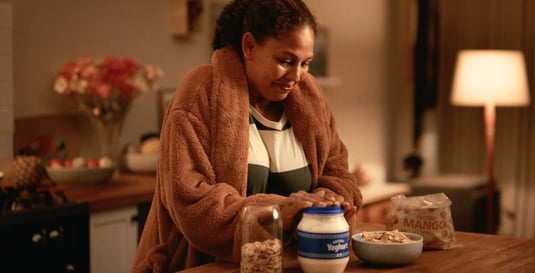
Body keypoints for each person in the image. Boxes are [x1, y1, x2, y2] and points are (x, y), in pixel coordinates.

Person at [131, 0, 363, 272]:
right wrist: (284, 210)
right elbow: (192, 202)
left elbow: (339, 173)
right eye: (285, 61)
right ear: (249, 46)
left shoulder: (309, 98)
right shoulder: (200, 92)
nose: (297, 76)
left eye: (305, 63)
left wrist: (329, 197)